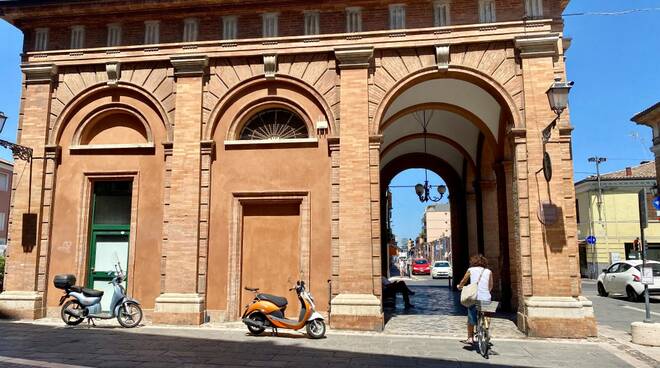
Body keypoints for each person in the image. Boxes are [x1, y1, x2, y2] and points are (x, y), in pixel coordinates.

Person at [456, 254, 493, 344]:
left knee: (470, 319)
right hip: (486, 297)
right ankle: (486, 328)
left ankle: (470, 338)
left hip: (475, 297)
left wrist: (460, 286)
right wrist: (486, 292)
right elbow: (491, 285)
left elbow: (464, 280)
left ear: (473, 262)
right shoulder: (488, 271)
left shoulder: (470, 270)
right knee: (487, 315)